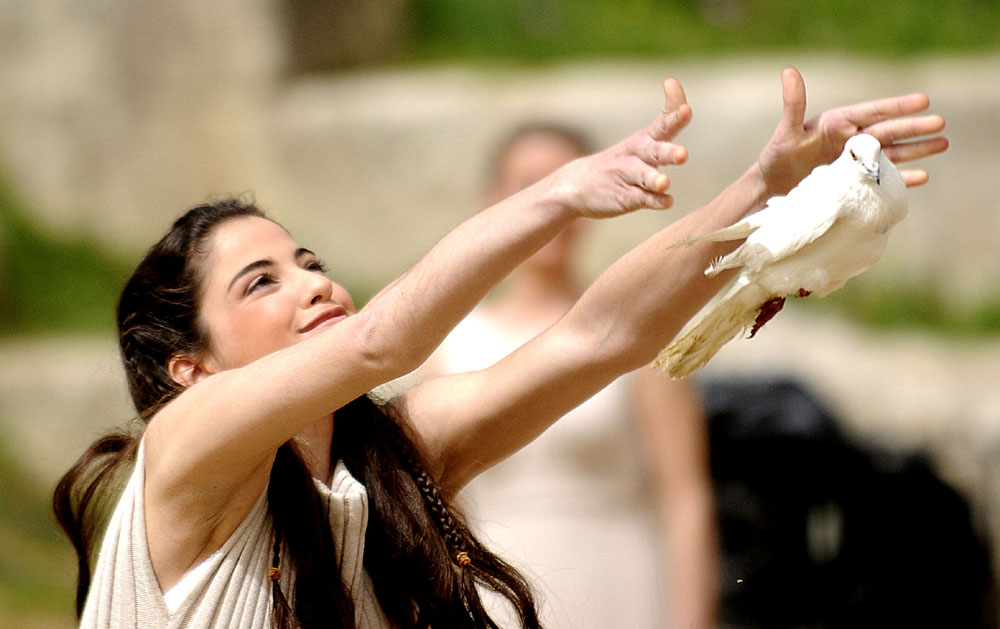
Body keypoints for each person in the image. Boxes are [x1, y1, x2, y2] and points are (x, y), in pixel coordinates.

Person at [52, 68, 947, 629]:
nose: (313, 284)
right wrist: (557, 193)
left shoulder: (390, 458)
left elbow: (600, 336)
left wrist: (765, 191)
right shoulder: (183, 451)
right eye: (261, 282)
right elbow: (379, 341)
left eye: (309, 261)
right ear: (192, 368)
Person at [423, 123, 718, 628]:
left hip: (621, 590)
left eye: (571, 182)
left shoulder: (639, 336)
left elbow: (684, 497)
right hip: (491, 602)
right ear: (492, 200)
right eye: (532, 187)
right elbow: (428, 512)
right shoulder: (447, 347)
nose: (558, 206)